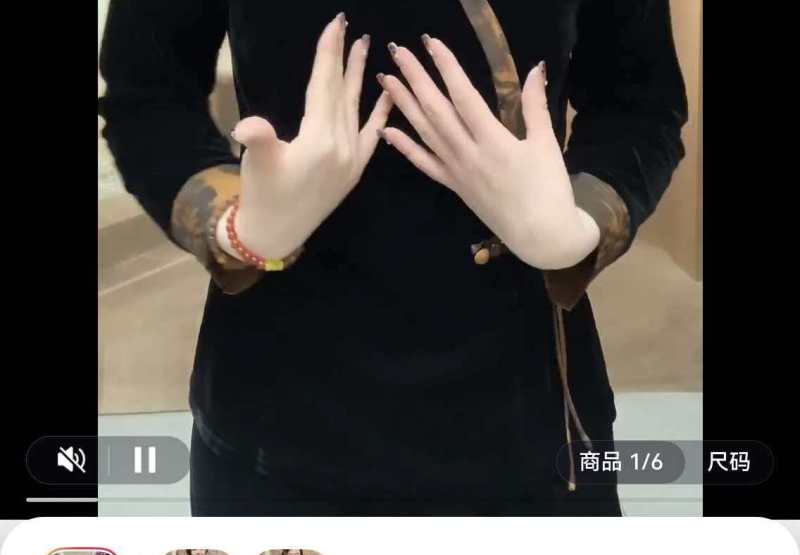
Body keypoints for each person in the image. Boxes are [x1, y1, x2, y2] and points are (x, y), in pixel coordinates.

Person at [98, 1, 688, 515]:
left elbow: (639, 101)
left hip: (534, 422)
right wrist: (234, 224)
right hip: (275, 430)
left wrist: (578, 227)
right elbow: (148, 91)